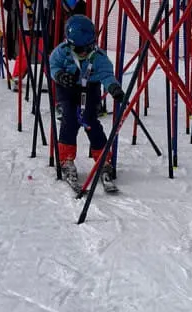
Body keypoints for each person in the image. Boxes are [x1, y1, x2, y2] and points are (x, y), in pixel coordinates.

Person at [49, 14, 125, 193]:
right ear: (70, 44)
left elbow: (106, 74)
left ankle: (103, 160)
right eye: (79, 49)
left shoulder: (98, 56)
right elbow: (53, 66)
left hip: (89, 89)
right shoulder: (62, 51)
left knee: (91, 122)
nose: (83, 53)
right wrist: (59, 75)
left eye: (87, 48)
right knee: (69, 121)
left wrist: (113, 87)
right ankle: (66, 160)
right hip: (67, 88)